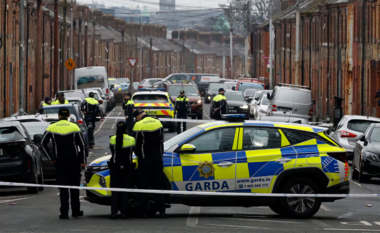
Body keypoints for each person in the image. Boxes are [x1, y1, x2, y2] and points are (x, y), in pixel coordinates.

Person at [41, 107, 86, 219]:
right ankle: (76, 211)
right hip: (74, 161)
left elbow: (43, 143)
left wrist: (51, 157)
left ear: (58, 115)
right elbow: (82, 145)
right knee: (75, 187)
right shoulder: (74, 126)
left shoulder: (52, 127)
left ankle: (64, 213)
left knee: (63, 188)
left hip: (60, 161)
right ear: (69, 116)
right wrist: (83, 161)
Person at [133, 109, 166, 218]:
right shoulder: (158, 123)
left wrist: (139, 155)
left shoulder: (138, 125)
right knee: (158, 184)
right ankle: (162, 211)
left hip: (145, 159)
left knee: (143, 185)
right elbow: (161, 141)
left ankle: (144, 211)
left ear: (138, 116)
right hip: (157, 158)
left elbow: (136, 144)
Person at [108, 121, 135, 220]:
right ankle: (124, 213)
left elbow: (112, 150)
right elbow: (133, 151)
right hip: (127, 168)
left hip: (115, 167)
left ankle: (114, 213)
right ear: (126, 129)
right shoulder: (132, 139)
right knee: (125, 191)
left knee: (115, 191)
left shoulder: (112, 139)